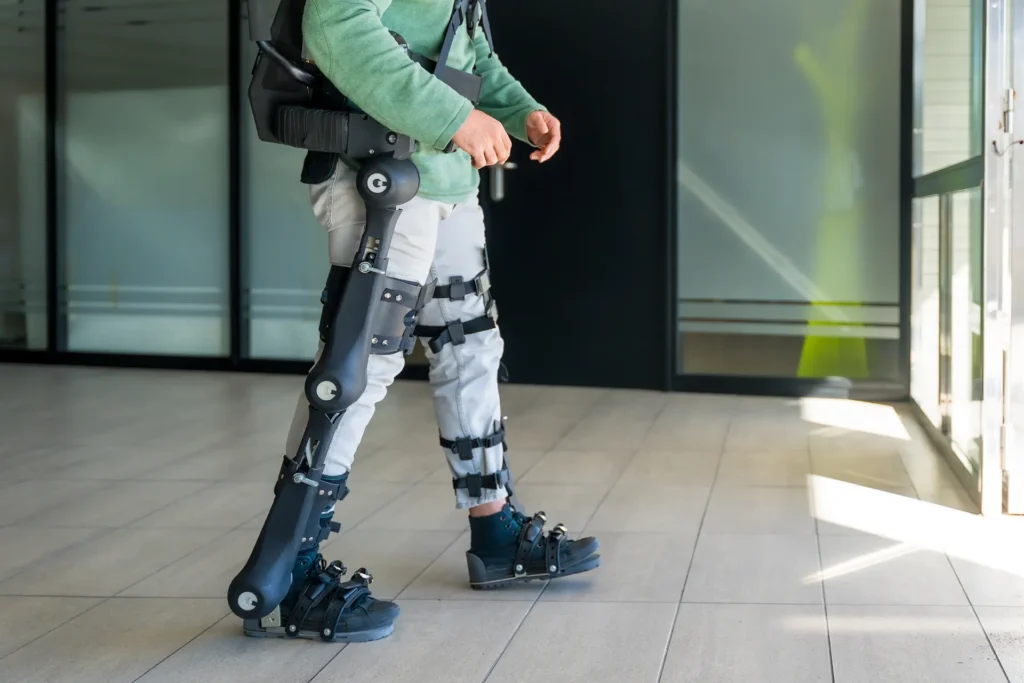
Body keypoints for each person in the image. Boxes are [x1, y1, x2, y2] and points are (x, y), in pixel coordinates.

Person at [229, 0, 601, 644]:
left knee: (472, 346)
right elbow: (336, 24)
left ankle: (496, 530)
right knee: (357, 368)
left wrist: (520, 111)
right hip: (380, 171)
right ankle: (286, 576)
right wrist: (458, 120)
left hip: (444, 180)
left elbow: (469, 52)